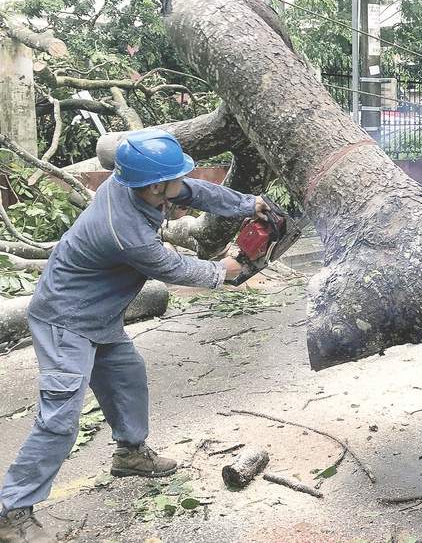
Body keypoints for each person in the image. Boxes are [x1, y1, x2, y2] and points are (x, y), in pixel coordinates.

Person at [0, 130, 268, 542]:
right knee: (61, 416)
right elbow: (173, 268)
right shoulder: (123, 230)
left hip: (100, 314)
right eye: (174, 178)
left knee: (127, 375)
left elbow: (193, 191)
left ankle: (130, 453)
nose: (183, 181)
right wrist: (224, 273)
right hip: (64, 319)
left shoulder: (137, 184)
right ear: (156, 186)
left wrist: (248, 204)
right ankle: (12, 510)